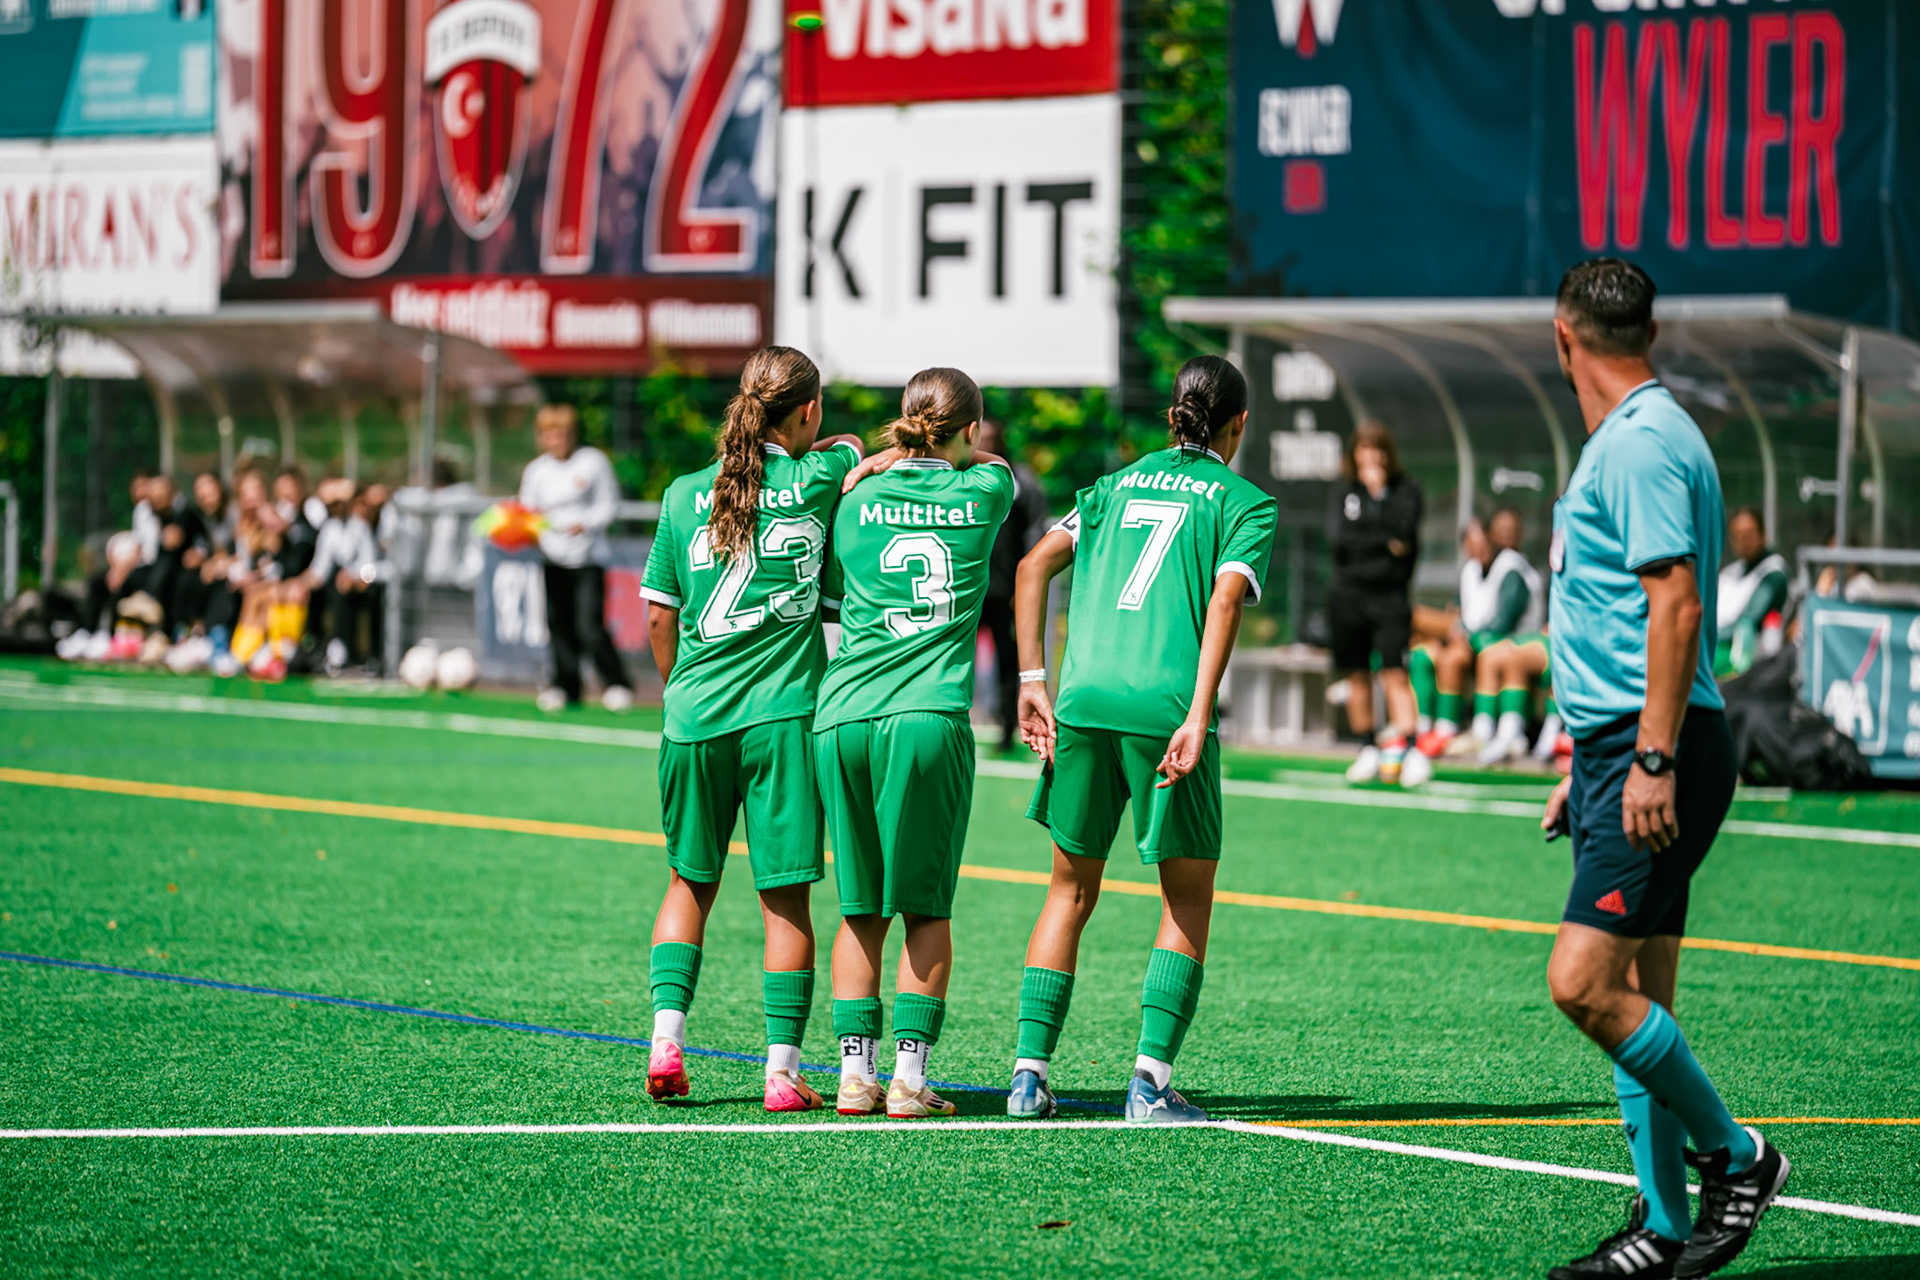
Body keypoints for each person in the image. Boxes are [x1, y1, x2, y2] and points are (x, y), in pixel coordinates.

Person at [1539, 258, 1788, 1280]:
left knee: (1583, 983)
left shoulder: (1639, 443)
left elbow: (1675, 606)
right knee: (1641, 991)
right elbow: (1617, 618)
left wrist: (1647, 757)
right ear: (1648, 331)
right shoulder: (1643, 433)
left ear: (1564, 338)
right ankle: (1663, 1229)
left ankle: (1739, 1155)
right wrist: (1592, 758)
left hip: (1658, 749)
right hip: (1627, 745)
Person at [1007, 355, 1277, 1124]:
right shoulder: (1245, 502)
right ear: (1239, 424)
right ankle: (1149, 1086)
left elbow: (1031, 568)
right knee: (1185, 899)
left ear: (1171, 416)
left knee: (1068, 891)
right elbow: (1225, 601)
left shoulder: (1111, 486)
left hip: (1084, 701)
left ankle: (1027, 1078)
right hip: (1164, 709)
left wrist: (1032, 680)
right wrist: (1199, 713)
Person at [637, 346, 866, 1114]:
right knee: (785, 901)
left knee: (688, 883)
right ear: (808, 411)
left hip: (693, 717)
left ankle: (666, 1041)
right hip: (782, 717)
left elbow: (658, 615)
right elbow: (851, 449)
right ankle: (780, 1073)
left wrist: (680, 689)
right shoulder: (822, 474)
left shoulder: (681, 494)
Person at [812, 367, 1014, 1120]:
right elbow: (994, 465)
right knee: (926, 910)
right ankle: (907, 1079)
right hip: (926, 715)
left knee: (859, 910)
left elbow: (836, 602)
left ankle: (853, 1078)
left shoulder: (853, 498)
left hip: (842, 716)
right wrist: (920, 453)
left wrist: (882, 460)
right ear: (970, 429)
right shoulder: (985, 488)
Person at [1328, 421, 1427, 787]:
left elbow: (1404, 536)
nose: (1371, 457)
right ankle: (1366, 747)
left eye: (1377, 449)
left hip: (1390, 597)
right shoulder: (1343, 492)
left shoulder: (1406, 491)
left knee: (1394, 671)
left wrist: (1377, 501)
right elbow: (1339, 541)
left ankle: (1412, 748)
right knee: (1356, 673)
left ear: (1388, 454)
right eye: (1364, 449)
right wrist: (1382, 543)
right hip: (1347, 596)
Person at [519, 405, 635, 712]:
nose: (556, 440)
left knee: (589, 625)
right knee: (558, 625)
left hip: (588, 560)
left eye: (562, 434)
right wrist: (527, 533)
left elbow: (609, 505)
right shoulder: (536, 471)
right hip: (551, 560)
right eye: (550, 435)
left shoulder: (593, 462)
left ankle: (616, 683)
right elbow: (528, 513)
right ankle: (566, 687)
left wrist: (586, 524)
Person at [975, 419, 1050, 753]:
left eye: (992, 438)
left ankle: (1008, 729)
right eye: (981, 437)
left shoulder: (1021, 481)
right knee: (954, 657)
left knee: (1008, 663)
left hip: (1005, 592)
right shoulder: (961, 477)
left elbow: (1034, 532)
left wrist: (1024, 588)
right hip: (967, 590)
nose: (986, 443)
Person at [1714, 507, 1788, 677]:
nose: (1744, 541)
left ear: (1763, 534)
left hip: (1749, 661)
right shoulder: (1730, 572)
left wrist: (1710, 636)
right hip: (1716, 648)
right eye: (1738, 535)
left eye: (1749, 534)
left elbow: (1748, 621)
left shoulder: (1773, 573)